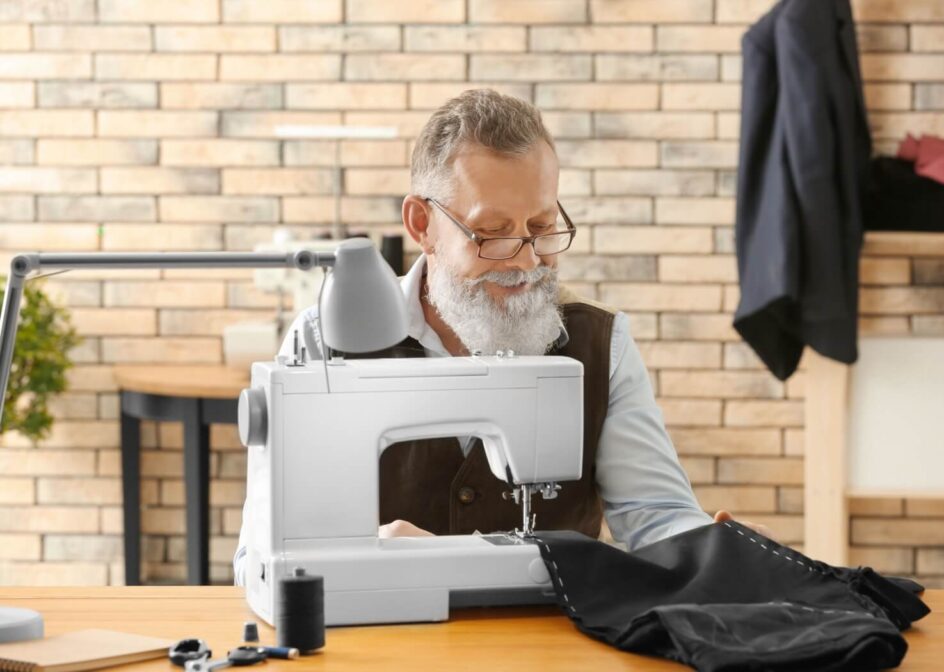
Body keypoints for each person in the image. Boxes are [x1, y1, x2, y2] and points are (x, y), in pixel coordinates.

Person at [234, 90, 770, 585]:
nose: (526, 260)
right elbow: (260, 554)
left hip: (550, 647)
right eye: (491, 234)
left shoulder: (600, 343)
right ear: (421, 224)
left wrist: (709, 552)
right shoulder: (321, 344)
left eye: (540, 228)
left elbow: (656, 514)